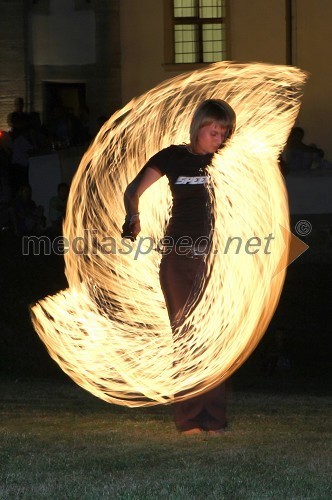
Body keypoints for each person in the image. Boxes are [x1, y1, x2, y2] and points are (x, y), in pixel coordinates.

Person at [122, 99, 236, 436]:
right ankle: (188, 420)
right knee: (186, 336)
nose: (218, 138)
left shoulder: (227, 161)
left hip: (219, 257)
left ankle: (214, 420)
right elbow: (133, 189)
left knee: (215, 338)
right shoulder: (173, 156)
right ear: (198, 126)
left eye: (223, 132)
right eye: (212, 130)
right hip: (180, 256)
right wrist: (134, 215)